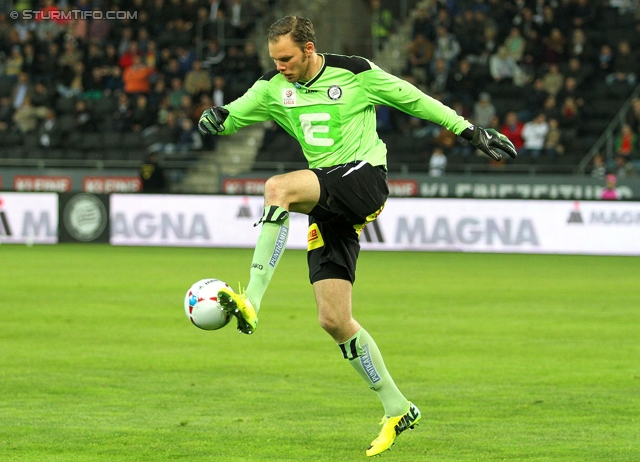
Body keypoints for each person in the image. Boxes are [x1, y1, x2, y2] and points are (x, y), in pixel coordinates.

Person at [197, 15, 517, 457]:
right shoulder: (273, 88)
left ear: (309, 49)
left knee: (278, 188)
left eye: (287, 58)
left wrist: (470, 130)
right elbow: (232, 115)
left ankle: (250, 297)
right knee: (333, 319)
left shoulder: (357, 72)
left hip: (364, 179)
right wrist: (214, 119)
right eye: (275, 59)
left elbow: (415, 100)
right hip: (330, 203)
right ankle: (398, 407)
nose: (281, 66)